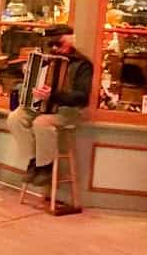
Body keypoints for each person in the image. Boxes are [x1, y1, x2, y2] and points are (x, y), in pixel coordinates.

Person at [6, 24, 93, 185]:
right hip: (42, 107)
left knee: (41, 122)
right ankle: (34, 161)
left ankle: (45, 167)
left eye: (58, 44)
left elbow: (82, 98)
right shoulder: (44, 59)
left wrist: (53, 95)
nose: (54, 48)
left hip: (68, 111)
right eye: (51, 44)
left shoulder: (82, 64)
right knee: (15, 118)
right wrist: (27, 72)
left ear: (70, 40)